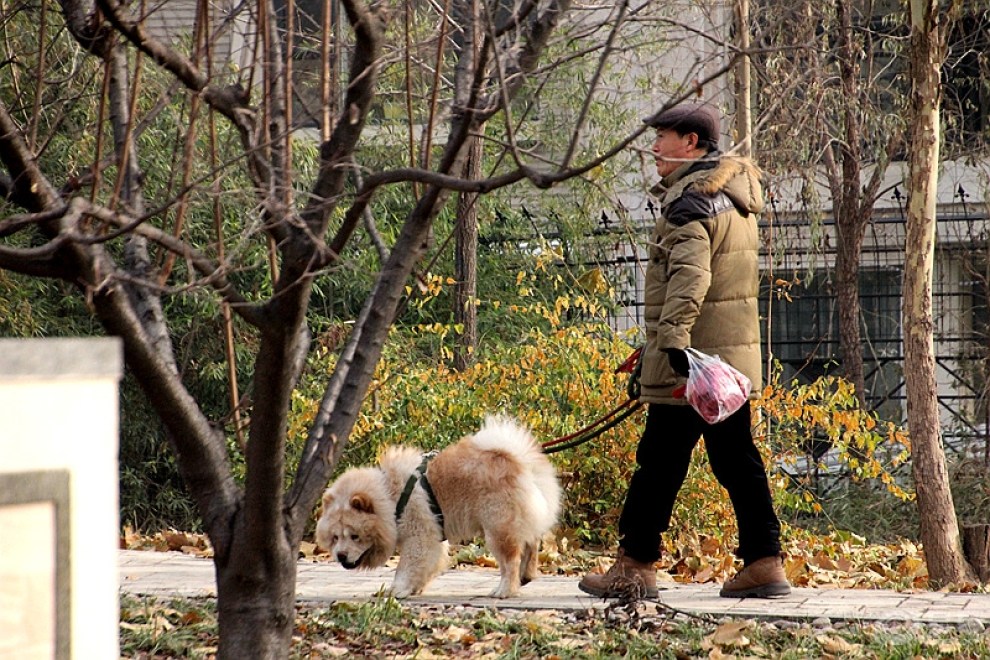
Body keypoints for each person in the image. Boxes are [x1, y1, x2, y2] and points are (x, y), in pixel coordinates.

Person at [578, 101, 791, 600]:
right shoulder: (733, 199)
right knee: (737, 461)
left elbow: (691, 277)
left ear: (691, 143)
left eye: (663, 137)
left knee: (658, 462)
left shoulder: (692, 202)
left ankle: (635, 566)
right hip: (727, 362)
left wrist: (672, 343)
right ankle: (764, 562)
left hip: (692, 363)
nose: (654, 147)